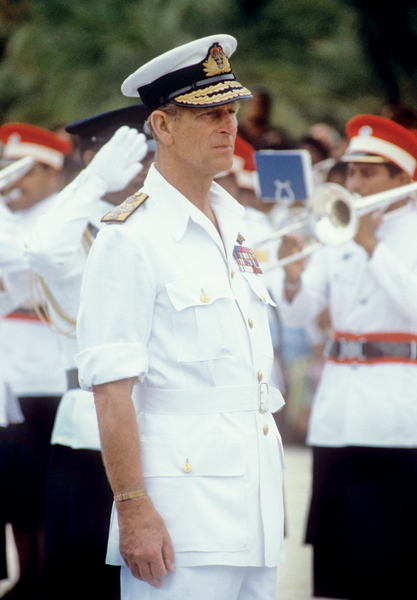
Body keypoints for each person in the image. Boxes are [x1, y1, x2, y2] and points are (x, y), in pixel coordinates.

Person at [76, 34, 285, 600]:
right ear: (163, 127)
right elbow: (111, 389)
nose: (228, 126)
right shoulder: (131, 237)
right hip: (181, 517)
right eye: (208, 114)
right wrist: (133, 508)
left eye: (232, 111)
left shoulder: (234, 225)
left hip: (256, 509)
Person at [276, 114, 417, 599]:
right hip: (338, 416)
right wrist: (293, 276)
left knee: (389, 560)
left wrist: (372, 245)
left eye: (368, 173)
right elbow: (299, 315)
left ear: (403, 176)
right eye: (351, 172)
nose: (354, 184)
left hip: (398, 421)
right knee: (335, 566)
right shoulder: (337, 229)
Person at [24, 105, 151, 600]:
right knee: (84, 585)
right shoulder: (81, 228)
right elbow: (44, 253)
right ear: (97, 157)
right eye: (131, 155)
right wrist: (93, 182)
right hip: (91, 435)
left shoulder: (156, 222)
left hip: (160, 427)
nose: (143, 167)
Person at [0, 123, 72, 598]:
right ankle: (29, 577)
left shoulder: (66, 216)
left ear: (49, 172)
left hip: (51, 373)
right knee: (15, 488)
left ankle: (50, 580)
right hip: (11, 372)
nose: (11, 181)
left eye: (20, 171)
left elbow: (26, 264)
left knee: (49, 491)